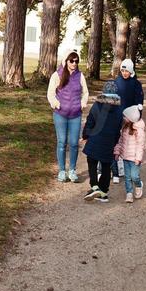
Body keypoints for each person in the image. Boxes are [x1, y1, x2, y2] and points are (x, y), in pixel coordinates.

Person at [47, 45, 89, 183]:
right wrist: (56, 104)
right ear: (66, 61)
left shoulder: (80, 76)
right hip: (60, 115)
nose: (74, 64)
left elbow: (86, 92)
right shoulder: (57, 75)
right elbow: (50, 93)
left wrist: (82, 104)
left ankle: (72, 170)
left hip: (75, 115)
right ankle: (61, 171)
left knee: (74, 143)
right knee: (62, 142)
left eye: (76, 61)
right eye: (72, 61)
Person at [81, 81, 122, 203]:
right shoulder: (119, 110)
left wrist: (85, 135)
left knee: (92, 161)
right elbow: (118, 128)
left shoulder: (97, 105)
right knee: (105, 165)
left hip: (95, 138)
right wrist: (115, 142)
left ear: (103, 92)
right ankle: (103, 192)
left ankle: (94, 186)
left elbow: (90, 121)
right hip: (109, 141)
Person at [111, 57, 144, 183]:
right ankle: (115, 167)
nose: (125, 73)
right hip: (117, 115)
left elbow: (139, 100)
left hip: (129, 117)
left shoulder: (136, 84)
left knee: (126, 141)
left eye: (127, 71)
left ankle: (124, 165)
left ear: (131, 71)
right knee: (116, 141)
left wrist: (137, 113)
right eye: (123, 71)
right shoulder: (116, 82)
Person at [113, 104, 146, 204]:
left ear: (131, 118)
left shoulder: (139, 130)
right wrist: (117, 151)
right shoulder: (124, 128)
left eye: (125, 117)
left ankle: (138, 184)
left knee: (134, 176)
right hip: (126, 157)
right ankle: (129, 193)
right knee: (127, 177)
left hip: (135, 158)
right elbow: (120, 141)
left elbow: (141, 145)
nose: (123, 118)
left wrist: (138, 158)